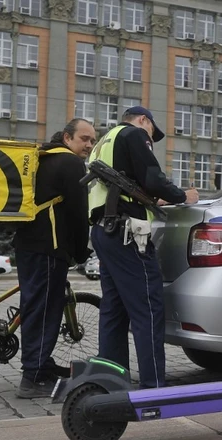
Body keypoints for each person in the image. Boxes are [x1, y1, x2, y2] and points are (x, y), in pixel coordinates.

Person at [87, 105, 198, 389]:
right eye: (151, 130)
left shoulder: (104, 141)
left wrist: (150, 200)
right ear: (143, 120)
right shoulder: (134, 134)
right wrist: (181, 194)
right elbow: (152, 176)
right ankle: (153, 385)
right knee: (147, 307)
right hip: (127, 234)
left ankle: (111, 379)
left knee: (114, 308)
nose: (150, 138)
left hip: (104, 230)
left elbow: (126, 184)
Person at [12, 118, 96, 398]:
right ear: (67, 137)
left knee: (35, 305)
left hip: (28, 244)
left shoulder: (43, 158)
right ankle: (33, 377)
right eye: (84, 138)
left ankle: (42, 365)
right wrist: (81, 251)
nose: (89, 145)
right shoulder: (71, 164)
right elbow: (78, 212)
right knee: (45, 309)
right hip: (49, 246)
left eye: (92, 140)